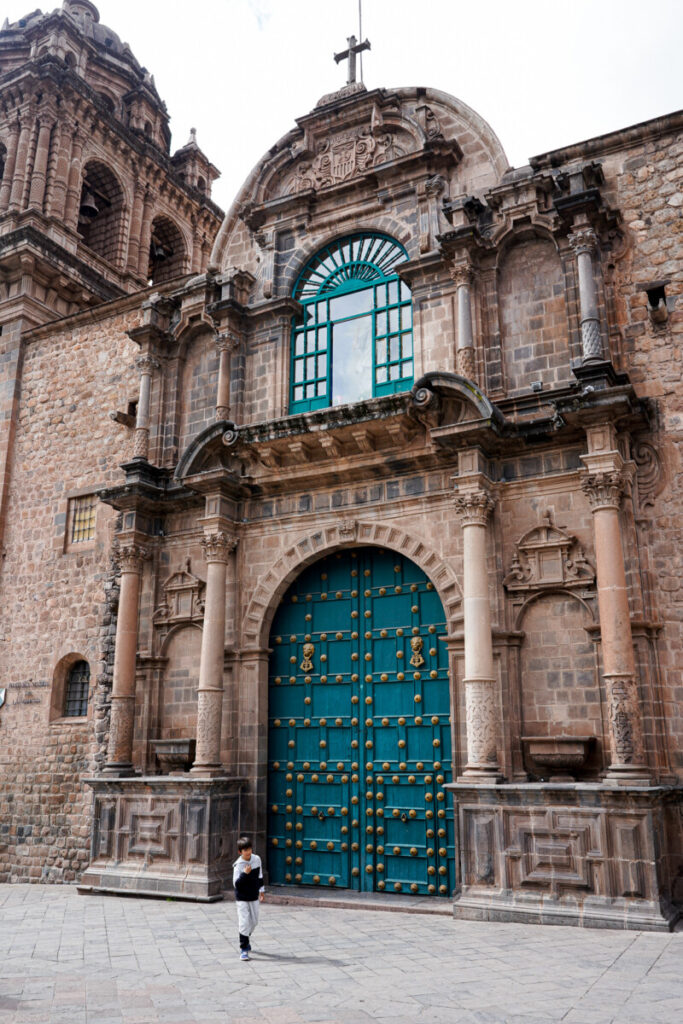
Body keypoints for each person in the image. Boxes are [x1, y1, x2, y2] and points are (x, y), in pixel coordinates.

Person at [232, 835, 265, 961]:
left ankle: (245, 935)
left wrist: (261, 891)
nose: (248, 852)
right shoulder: (238, 865)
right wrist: (245, 874)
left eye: (249, 849)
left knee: (254, 921)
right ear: (240, 852)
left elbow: (260, 875)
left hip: (253, 895)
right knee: (244, 922)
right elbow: (236, 884)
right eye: (245, 850)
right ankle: (244, 948)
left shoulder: (256, 859)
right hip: (242, 897)